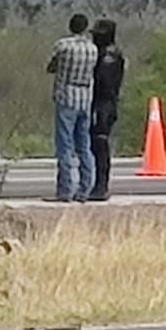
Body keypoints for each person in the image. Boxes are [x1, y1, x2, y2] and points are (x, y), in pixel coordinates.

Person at [47, 13, 99, 202]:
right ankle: (85, 188)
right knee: (84, 146)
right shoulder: (92, 49)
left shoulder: (63, 46)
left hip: (66, 97)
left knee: (65, 145)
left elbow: (52, 66)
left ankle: (65, 190)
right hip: (85, 98)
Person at [89, 19, 125, 201]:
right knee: (94, 145)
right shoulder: (107, 54)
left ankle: (101, 186)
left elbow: (104, 83)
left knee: (100, 144)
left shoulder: (109, 56)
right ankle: (96, 184)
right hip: (103, 103)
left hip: (103, 104)